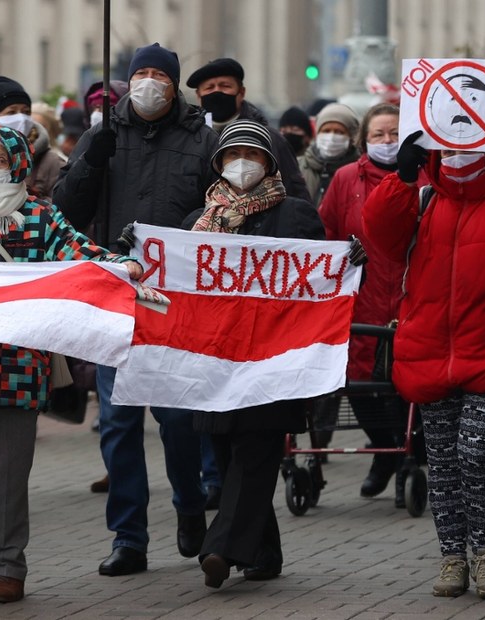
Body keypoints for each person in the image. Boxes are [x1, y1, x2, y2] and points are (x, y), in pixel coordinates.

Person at [0, 125, 142, 604]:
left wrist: (122, 267)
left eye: (0, 160)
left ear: (18, 165)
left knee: (6, 474)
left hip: (16, 367)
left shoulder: (40, 218)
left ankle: (7, 566)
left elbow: (80, 255)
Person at [52, 42, 217, 577]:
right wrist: (90, 161)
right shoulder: (106, 135)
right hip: (116, 291)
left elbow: (217, 207)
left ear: (175, 84)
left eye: (159, 75)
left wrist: (188, 227)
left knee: (175, 418)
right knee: (119, 422)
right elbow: (66, 209)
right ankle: (129, 537)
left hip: (176, 297)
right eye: (140, 74)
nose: (149, 82)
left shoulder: (202, 137)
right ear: (127, 81)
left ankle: (190, 505)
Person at [362, 127, 485, 600]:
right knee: (440, 463)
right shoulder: (422, 200)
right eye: (451, 145)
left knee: (476, 455)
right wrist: (399, 178)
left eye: (472, 145)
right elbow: (381, 238)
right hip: (427, 352)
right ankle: (452, 557)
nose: (460, 154)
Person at [188, 120, 340, 588]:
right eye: (233, 156)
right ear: (217, 165)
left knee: (255, 453)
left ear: (270, 163)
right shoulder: (196, 221)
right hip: (215, 361)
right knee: (229, 455)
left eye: (253, 156)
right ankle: (264, 554)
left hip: (274, 360)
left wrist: (345, 262)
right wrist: (137, 248)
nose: (242, 165)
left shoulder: (295, 214)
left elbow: (319, 277)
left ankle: (220, 547)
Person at [318, 102, 412, 503]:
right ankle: (384, 449)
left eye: (394, 134)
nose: (387, 142)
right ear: (364, 141)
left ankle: (409, 455)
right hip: (363, 296)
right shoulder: (344, 180)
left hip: (411, 295)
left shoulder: (424, 175)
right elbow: (327, 234)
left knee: (407, 383)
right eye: (379, 135)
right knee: (360, 384)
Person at [185, 57, 310, 201]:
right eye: (209, 87)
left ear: (241, 92)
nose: (217, 92)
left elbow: (297, 198)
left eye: (225, 86)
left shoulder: (271, 141)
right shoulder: (189, 141)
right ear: (198, 96)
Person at [299, 102, 361, 206]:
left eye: (339, 132)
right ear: (317, 134)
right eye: (326, 131)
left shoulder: (360, 171)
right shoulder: (297, 166)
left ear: (351, 137)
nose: (331, 137)